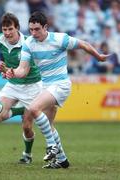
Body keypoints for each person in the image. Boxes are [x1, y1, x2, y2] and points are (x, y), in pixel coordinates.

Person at [6, 11, 110, 169]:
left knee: (34, 108)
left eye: (37, 29)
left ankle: (51, 146)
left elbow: (83, 44)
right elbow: (23, 70)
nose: (33, 33)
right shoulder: (28, 44)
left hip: (61, 84)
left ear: (45, 27)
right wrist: (13, 72)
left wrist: (98, 57)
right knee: (48, 124)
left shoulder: (60, 39)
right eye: (31, 30)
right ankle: (62, 160)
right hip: (46, 86)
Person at [0, 12, 58, 165]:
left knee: (27, 127)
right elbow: (7, 61)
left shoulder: (27, 44)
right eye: (5, 29)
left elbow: (24, 71)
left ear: (17, 28)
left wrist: (9, 71)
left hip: (32, 86)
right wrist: (3, 68)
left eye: (10, 29)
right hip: (13, 85)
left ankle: (27, 155)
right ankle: (20, 110)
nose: (7, 33)